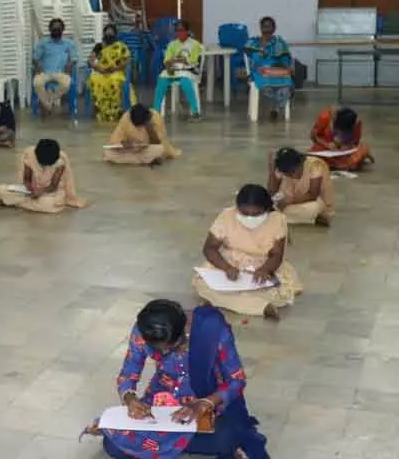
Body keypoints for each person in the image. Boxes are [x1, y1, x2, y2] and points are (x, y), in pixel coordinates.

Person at [81, 299, 269, 459]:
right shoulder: (143, 330)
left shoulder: (211, 328)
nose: (163, 353)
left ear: (183, 331)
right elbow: (129, 373)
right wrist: (131, 400)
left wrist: (204, 403)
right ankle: (173, 444)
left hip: (207, 399)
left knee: (226, 436)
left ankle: (161, 445)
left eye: (172, 347)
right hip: (162, 401)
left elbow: (236, 380)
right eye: (158, 349)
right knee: (112, 445)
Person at [195, 185, 302, 321]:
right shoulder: (226, 216)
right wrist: (226, 267)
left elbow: (276, 254)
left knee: (278, 295)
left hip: (264, 266)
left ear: (266, 209)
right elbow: (209, 248)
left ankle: (218, 300)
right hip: (229, 263)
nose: (250, 218)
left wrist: (265, 270)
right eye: (244, 213)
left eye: (256, 214)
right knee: (202, 284)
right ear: (237, 207)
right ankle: (261, 307)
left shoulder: (277, 220)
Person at [0, 138, 88, 213]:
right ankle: (21, 202)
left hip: (51, 192)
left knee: (49, 204)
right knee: (2, 189)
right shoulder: (30, 154)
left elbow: (53, 186)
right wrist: (30, 188)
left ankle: (14, 202)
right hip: (32, 190)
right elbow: (27, 179)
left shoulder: (60, 160)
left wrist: (41, 192)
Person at [268, 147, 334, 227]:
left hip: (315, 203)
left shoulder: (315, 165)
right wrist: (271, 169)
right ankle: (307, 219)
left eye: (292, 172)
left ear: (300, 164)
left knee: (314, 207)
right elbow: (272, 192)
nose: (290, 176)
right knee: (268, 204)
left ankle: (278, 217)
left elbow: (313, 195)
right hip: (290, 204)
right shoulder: (283, 169)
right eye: (287, 174)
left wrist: (288, 201)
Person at [245, 17, 294, 120]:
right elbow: (252, 60)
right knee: (265, 84)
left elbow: (286, 59)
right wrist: (261, 53)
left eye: (269, 27)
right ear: (261, 28)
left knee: (288, 83)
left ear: (274, 28)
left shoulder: (279, 43)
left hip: (276, 70)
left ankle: (275, 108)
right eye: (264, 27)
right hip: (260, 71)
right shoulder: (253, 43)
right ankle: (276, 106)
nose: (267, 29)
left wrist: (284, 67)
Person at [152, 20, 202, 120]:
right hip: (174, 70)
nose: (179, 33)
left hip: (188, 70)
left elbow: (192, 61)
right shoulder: (172, 44)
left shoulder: (195, 44)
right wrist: (169, 67)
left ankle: (195, 112)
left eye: (182, 30)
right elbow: (167, 60)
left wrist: (177, 59)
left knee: (185, 82)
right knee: (162, 80)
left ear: (187, 31)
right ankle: (155, 111)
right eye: (177, 31)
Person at [104, 103, 180, 166]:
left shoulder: (156, 117)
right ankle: (143, 161)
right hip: (130, 150)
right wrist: (123, 144)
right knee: (108, 153)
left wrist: (150, 130)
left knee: (160, 150)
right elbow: (115, 140)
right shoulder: (126, 117)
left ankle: (134, 160)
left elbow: (160, 143)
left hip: (146, 150)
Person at [88, 24, 135, 123]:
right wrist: (98, 68)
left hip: (116, 72)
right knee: (95, 80)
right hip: (101, 71)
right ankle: (101, 109)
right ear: (104, 34)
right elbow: (90, 60)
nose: (109, 34)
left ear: (115, 34)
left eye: (111, 32)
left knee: (114, 81)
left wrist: (117, 67)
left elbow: (128, 60)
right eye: (107, 32)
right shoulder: (99, 46)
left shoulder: (121, 46)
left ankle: (115, 110)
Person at [31, 18, 76, 117]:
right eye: (54, 28)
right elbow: (35, 58)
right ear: (50, 29)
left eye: (58, 28)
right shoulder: (43, 43)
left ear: (63, 30)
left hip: (61, 72)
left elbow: (74, 59)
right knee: (37, 83)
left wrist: (70, 65)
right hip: (45, 72)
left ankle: (47, 103)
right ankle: (49, 104)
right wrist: (37, 67)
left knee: (66, 83)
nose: (56, 30)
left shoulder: (69, 43)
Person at [308, 106, 373, 171]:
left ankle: (339, 164)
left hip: (344, 151)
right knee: (313, 157)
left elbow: (355, 142)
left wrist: (347, 146)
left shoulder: (356, 122)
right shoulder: (325, 117)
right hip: (325, 148)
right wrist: (327, 145)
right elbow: (313, 136)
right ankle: (342, 164)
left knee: (362, 150)